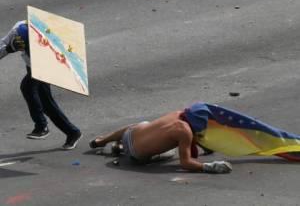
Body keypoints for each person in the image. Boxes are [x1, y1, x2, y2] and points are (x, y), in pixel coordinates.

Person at [0, 21, 82, 150]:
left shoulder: (49, 38)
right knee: (46, 104)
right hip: (31, 66)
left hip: (46, 64)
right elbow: (2, 46)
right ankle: (72, 132)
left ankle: (41, 126)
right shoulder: (17, 31)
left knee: (26, 87)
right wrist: (9, 48)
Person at [89, 110, 232, 174]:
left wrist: (203, 145)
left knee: (144, 124)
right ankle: (122, 149)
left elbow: (191, 130)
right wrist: (209, 167)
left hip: (129, 135)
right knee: (170, 153)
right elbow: (185, 163)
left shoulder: (178, 114)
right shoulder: (185, 133)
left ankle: (102, 140)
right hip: (136, 155)